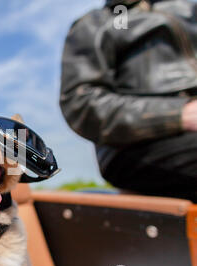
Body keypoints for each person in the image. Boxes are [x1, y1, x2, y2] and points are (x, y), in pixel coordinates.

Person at [59, 0, 197, 202]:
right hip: (138, 145)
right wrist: (179, 113)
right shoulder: (96, 23)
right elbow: (81, 103)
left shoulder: (189, 9)